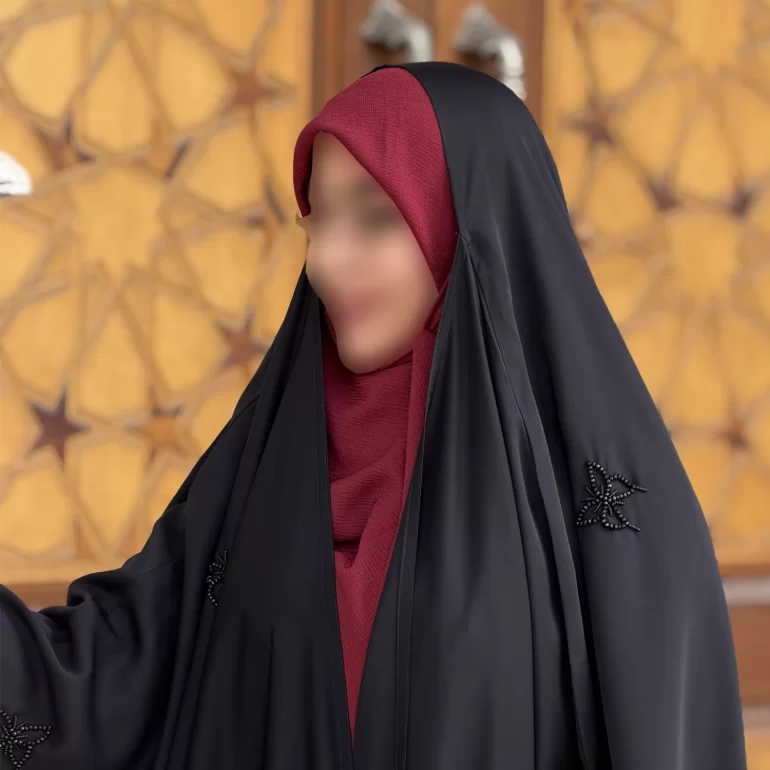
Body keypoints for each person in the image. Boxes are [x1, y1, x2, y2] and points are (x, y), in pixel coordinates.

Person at [0, 62, 746, 770]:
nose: (326, 259)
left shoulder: (611, 514)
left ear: (469, 229)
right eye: (318, 218)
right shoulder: (267, 460)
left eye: (376, 218)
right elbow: (106, 672)